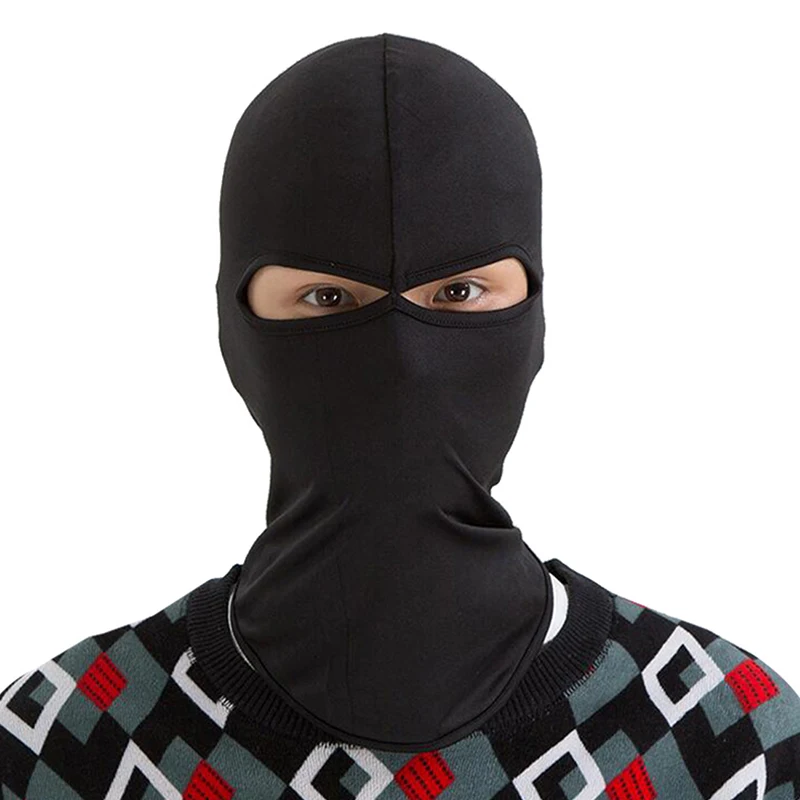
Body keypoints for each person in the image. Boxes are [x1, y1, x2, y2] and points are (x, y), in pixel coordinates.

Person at [1, 31, 798, 800]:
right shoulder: (56, 752)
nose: (404, 359)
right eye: (327, 297)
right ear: (233, 325)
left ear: (534, 315)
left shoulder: (731, 746)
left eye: (459, 292)